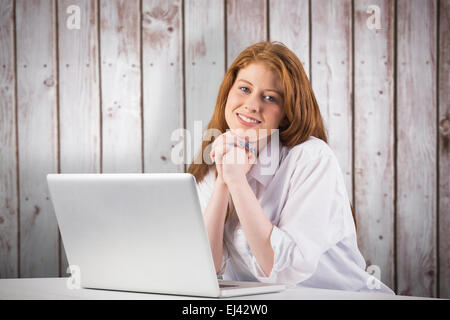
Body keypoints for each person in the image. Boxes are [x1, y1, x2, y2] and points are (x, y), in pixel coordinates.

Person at [187, 41, 394, 294]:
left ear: (286, 112)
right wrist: (224, 180)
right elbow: (206, 268)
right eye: (244, 89)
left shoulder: (311, 158)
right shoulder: (217, 158)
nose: (252, 104)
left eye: (269, 97)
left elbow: (283, 270)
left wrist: (238, 183)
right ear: (228, 92)